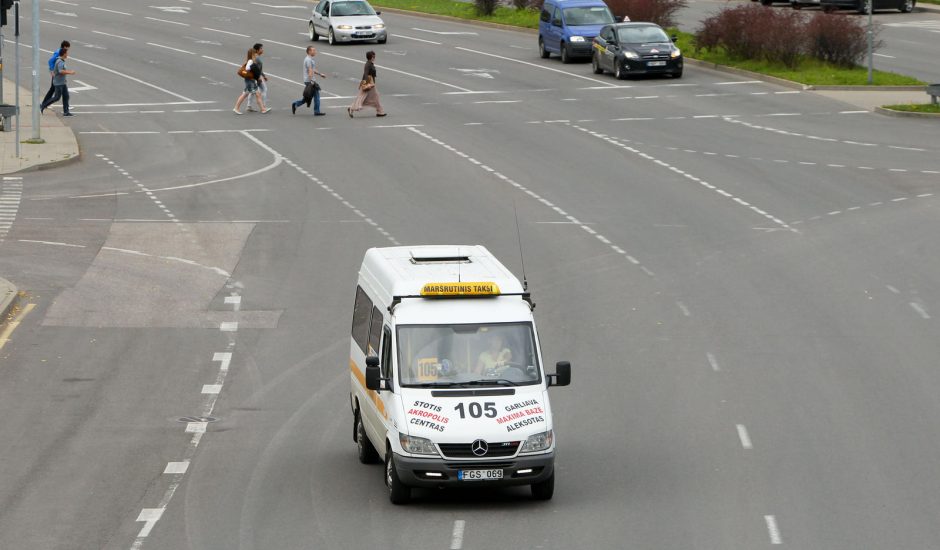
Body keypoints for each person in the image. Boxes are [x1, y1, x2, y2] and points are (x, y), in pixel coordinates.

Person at [347, 50, 386, 118]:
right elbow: (366, 74)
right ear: (371, 57)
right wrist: (366, 84)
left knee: (374, 96)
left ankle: (380, 111)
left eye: (374, 56)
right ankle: (351, 108)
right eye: (373, 56)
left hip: (370, 81)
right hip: (368, 81)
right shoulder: (368, 64)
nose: (374, 57)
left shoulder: (370, 63)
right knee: (363, 97)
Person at [291, 46, 327, 116]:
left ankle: (296, 104)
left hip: (308, 80)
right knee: (316, 96)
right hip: (310, 80)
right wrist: (312, 81)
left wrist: (320, 74)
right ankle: (317, 111)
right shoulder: (308, 60)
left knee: (307, 97)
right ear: (309, 51)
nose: (315, 52)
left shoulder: (309, 59)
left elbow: (312, 69)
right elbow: (310, 70)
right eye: (313, 50)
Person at [40, 48, 75, 117]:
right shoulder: (60, 61)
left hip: (62, 83)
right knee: (57, 97)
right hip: (59, 83)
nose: (67, 54)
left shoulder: (61, 60)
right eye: (67, 53)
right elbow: (60, 71)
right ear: (64, 54)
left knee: (66, 96)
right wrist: (70, 72)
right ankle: (43, 105)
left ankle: (66, 112)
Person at [234, 48, 270, 115]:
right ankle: (236, 108)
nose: (256, 54)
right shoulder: (250, 61)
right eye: (254, 53)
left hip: (251, 80)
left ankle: (263, 109)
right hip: (250, 81)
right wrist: (253, 66)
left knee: (250, 94)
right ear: (252, 54)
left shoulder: (250, 60)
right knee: (250, 94)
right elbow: (247, 68)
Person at [42, 40, 70, 107]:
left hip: (57, 73)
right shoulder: (58, 52)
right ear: (65, 47)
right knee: (53, 90)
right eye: (67, 48)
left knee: (53, 89)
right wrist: (52, 71)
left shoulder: (60, 51)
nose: (68, 50)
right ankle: (44, 104)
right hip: (56, 74)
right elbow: (50, 61)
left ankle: (44, 104)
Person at [246, 43, 268, 112]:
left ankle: (249, 106)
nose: (262, 50)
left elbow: (258, 69)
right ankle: (263, 106)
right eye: (261, 48)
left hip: (255, 77)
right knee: (264, 89)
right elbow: (256, 69)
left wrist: (263, 76)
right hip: (256, 77)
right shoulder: (256, 58)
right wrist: (259, 77)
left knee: (252, 91)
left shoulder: (255, 56)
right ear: (257, 50)